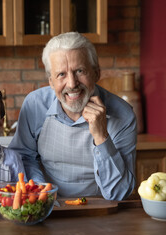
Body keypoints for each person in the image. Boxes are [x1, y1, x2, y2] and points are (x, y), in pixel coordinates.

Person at [9, 32, 137, 200]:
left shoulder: (123, 115)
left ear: (96, 73)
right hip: (47, 204)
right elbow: (23, 158)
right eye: (61, 74)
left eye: (80, 71)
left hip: (99, 206)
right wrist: (42, 192)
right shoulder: (35, 104)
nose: (72, 84)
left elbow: (119, 193)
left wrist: (101, 136)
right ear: (51, 82)